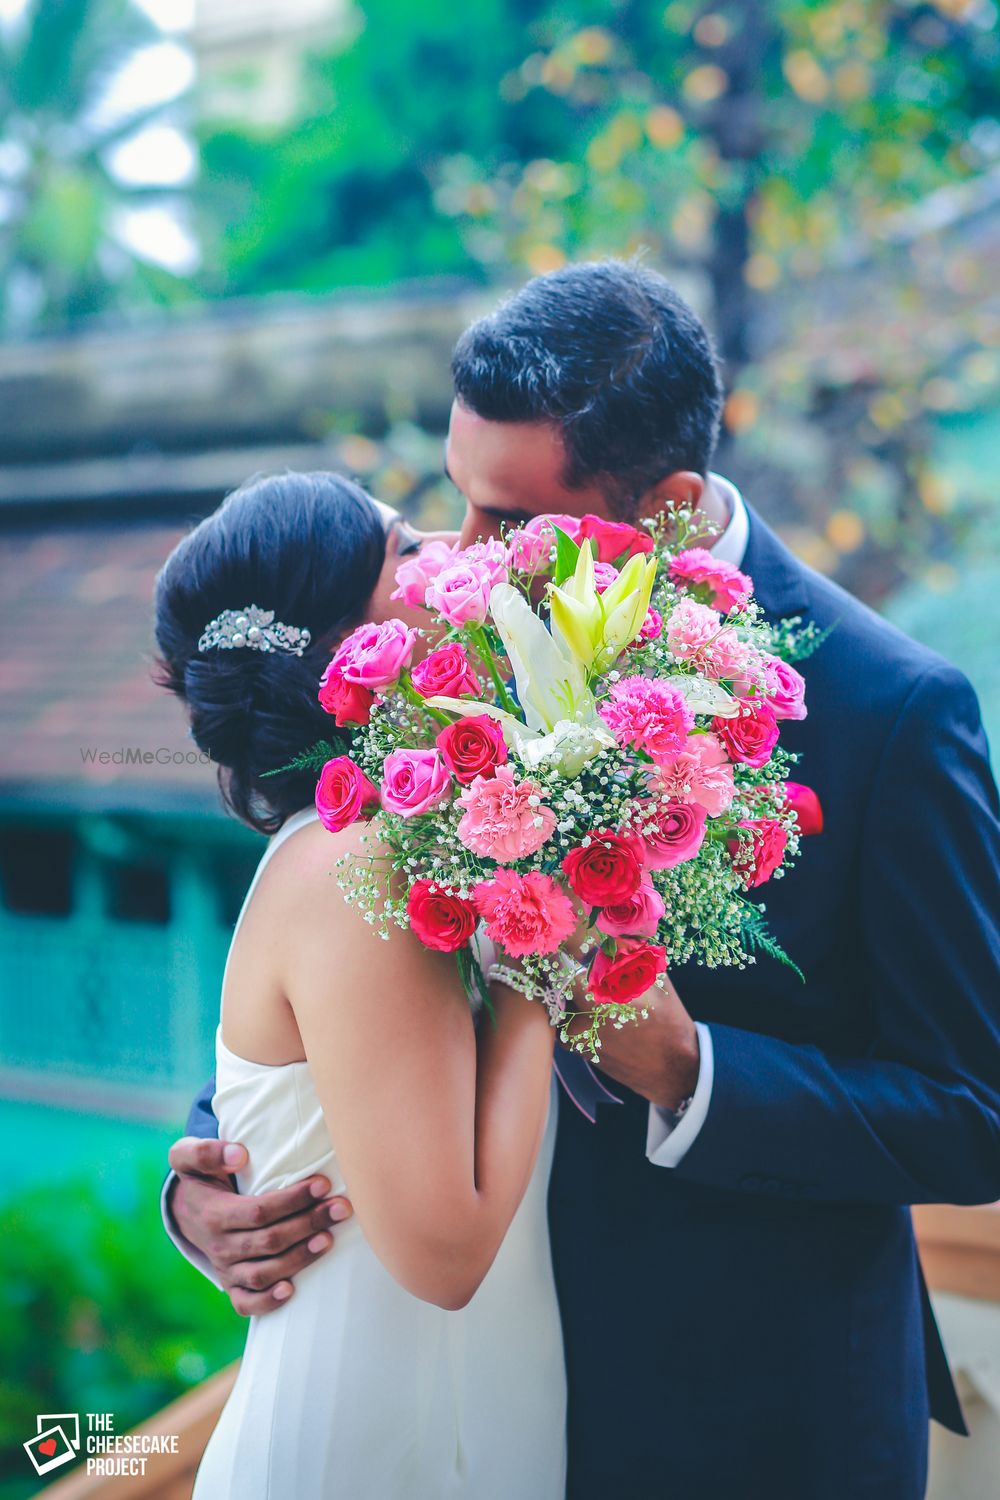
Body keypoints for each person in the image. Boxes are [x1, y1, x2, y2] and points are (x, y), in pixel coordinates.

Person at [165, 262, 1000, 1500]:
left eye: (505, 520)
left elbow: (972, 1115)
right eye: (451, 501)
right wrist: (214, 1177)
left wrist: (685, 1071)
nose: (457, 556)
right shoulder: (441, 643)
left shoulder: (892, 714)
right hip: (477, 1386)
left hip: (748, 1415)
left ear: (662, 509)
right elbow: (357, 960)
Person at [153, 472, 567, 1500]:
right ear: (350, 644)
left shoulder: (400, 847)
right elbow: (447, 1250)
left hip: (467, 1410)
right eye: (404, 551)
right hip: (372, 1447)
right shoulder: (355, 866)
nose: (449, 546)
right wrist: (550, 954)